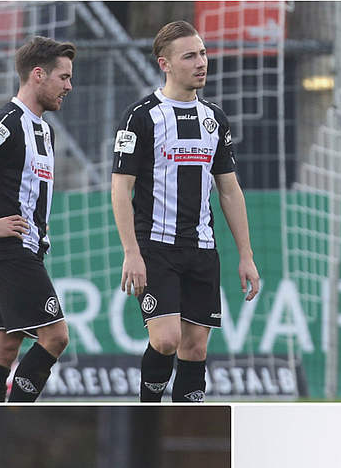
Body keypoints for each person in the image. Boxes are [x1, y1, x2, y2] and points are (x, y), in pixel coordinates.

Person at [112, 20, 261, 403]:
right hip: (156, 248)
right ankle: (149, 409)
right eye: (190, 56)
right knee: (165, 340)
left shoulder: (214, 119)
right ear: (165, 63)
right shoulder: (141, 117)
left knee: (194, 349)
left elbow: (229, 190)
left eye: (203, 53)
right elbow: (120, 186)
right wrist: (132, 252)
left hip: (202, 248)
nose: (202, 62)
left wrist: (246, 255)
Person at [0, 36, 75, 402]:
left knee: (4, 350)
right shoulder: (7, 120)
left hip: (26, 248)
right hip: (8, 250)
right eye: (63, 77)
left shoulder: (46, 130)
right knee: (56, 337)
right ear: (38, 75)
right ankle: (18, 410)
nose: (69, 86)